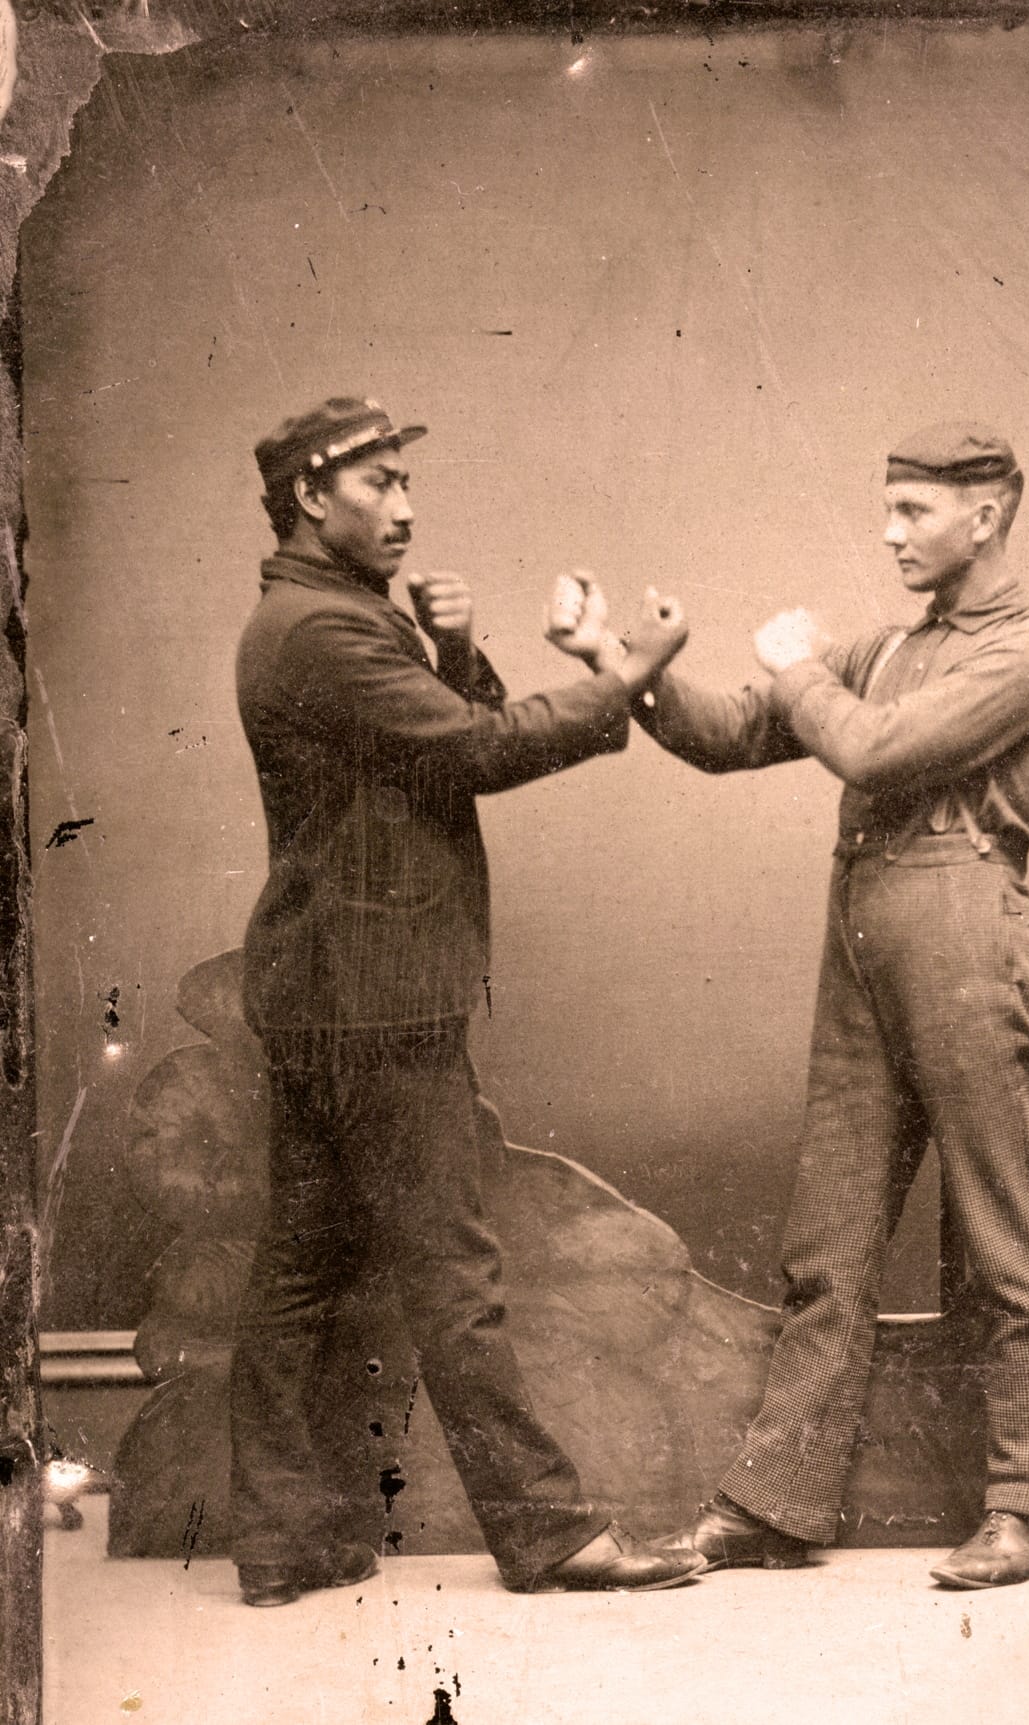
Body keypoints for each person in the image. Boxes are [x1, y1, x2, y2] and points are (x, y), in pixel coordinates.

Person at [550, 422, 1029, 1588]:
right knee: (827, 1243)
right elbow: (732, 734)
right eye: (885, 507)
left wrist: (796, 666)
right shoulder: (891, 646)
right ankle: (777, 1506)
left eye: (913, 510)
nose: (888, 532)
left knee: (996, 1235)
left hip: (966, 944)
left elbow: (878, 756)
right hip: (865, 948)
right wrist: (617, 665)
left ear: (985, 514)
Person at [228, 396, 702, 1604]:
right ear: (308, 497)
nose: (404, 504)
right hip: (377, 1006)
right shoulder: (322, 635)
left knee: (301, 1271)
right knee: (453, 1277)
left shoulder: (328, 619)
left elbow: (454, 732)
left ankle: (282, 1546)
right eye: (378, 482)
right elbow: (478, 755)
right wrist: (629, 676)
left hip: (328, 995)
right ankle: (546, 1534)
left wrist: (458, 647)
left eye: (404, 482)